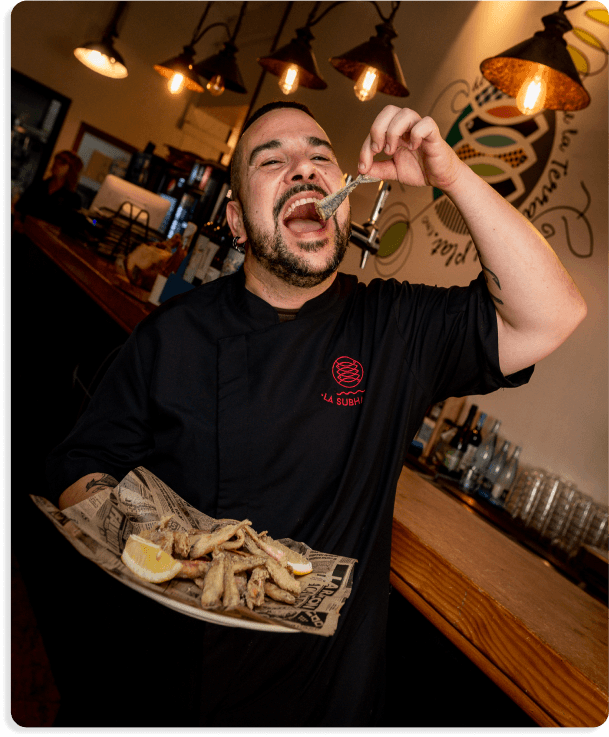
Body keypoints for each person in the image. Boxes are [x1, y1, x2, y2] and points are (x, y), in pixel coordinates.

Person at [44, 101, 586, 729]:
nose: (304, 171)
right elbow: (81, 463)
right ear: (237, 222)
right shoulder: (172, 335)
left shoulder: (395, 327)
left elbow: (551, 314)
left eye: (321, 157)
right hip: (160, 687)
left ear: (345, 199)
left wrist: (453, 176)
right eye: (272, 162)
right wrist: (150, 546)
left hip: (317, 703)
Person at [12, 149, 83, 234]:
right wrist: (17, 222)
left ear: (71, 169)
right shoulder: (38, 186)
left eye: (63, 161)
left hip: (44, 243)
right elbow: (19, 207)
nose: (56, 163)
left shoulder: (73, 199)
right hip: (23, 235)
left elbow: (69, 229)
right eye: (57, 158)